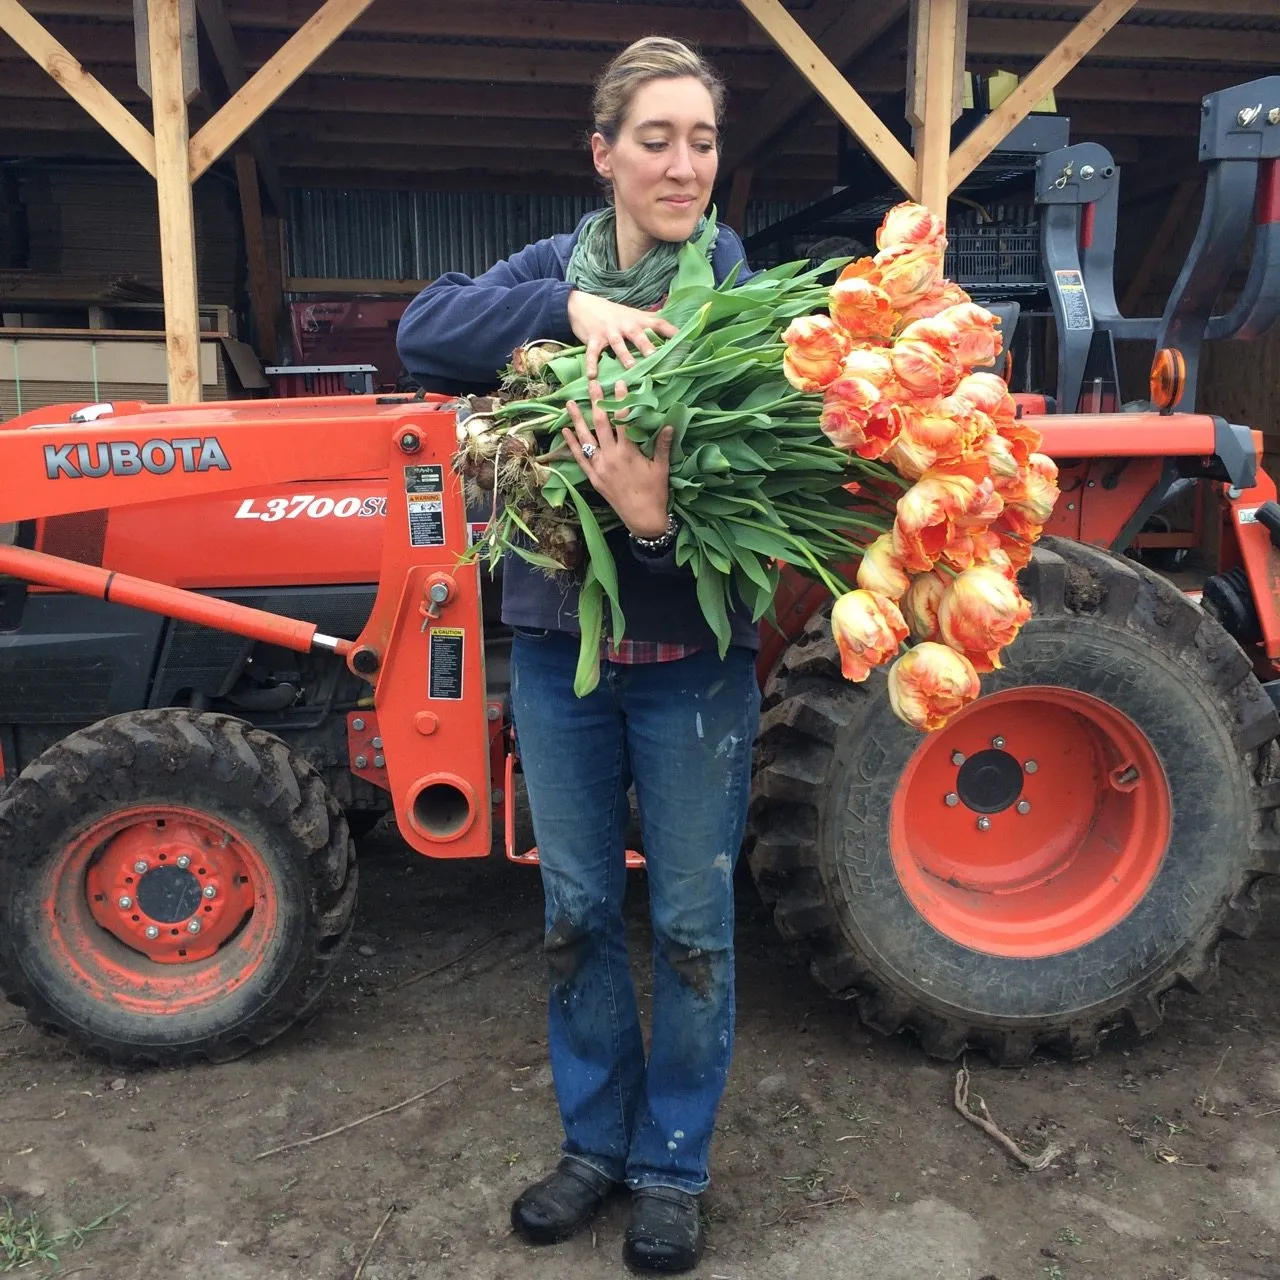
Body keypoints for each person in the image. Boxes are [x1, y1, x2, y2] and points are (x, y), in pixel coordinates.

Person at [397, 36, 760, 1275]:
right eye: (653, 138)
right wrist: (567, 308)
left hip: (691, 660)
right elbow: (424, 328)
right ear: (602, 152)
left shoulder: (734, 297)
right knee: (576, 910)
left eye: (700, 140)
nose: (680, 164)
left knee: (697, 925)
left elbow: (743, 516)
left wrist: (651, 520)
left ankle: (669, 1162)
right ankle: (592, 1144)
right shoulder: (555, 266)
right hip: (559, 656)